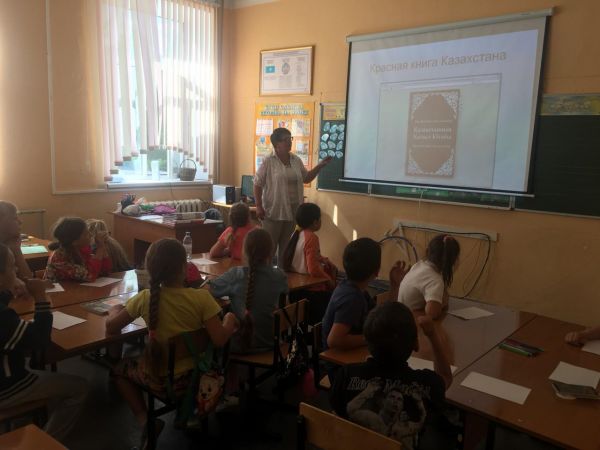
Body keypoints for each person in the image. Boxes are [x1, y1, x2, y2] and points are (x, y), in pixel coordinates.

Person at [106, 238, 238, 446]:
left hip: (161, 382)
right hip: (198, 380)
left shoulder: (145, 298)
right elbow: (220, 340)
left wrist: (114, 310)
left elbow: (112, 327)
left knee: (118, 369)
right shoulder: (202, 298)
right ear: (185, 268)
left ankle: (145, 420)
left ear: (149, 269)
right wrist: (229, 320)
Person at [330, 302, 453, 450]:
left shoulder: (346, 375)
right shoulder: (427, 384)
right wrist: (432, 334)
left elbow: (337, 416)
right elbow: (445, 376)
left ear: (367, 342)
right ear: (416, 344)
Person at [0, 243, 88, 442]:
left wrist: (9, 291)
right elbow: (40, 340)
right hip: (7, 386)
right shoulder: (3, 317)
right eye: (12, 266)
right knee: (79, 387)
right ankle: (45, 442)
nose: (16, 270)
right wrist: (40, 297)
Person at [253, 127, 332, 265]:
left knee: (287, 249)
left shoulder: (296, 160)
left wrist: (319, 166)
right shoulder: (268, 161)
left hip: (293, 211)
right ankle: (266, 275)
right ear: (277, 144)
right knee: (269, 249)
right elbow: (257, 183)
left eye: (290, 138)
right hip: (273, 211)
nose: (289, 142)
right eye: (286, 139)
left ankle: (283, 276)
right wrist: (258, 206)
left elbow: (306, 178)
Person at [209, 228, 288, 353]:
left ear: (244, 251)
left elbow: (209, 290)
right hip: (272, 346)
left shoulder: (235, 275)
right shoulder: (280, 276)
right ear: (270, 252)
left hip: (240, 347)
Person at [322, 237, 406, 353]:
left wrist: (395, 286)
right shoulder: (351, 298)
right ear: (376, 271)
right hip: (338, 361)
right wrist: (372, 338)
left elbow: (382, 318)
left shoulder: (356, 289)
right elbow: (334, 340)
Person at [283, 202, 337, 324]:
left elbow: (302, 254)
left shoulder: (296, 234)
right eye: (320, 219)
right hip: (311, 293)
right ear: (315, 222)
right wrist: (328, 279)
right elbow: (313, 269)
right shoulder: (312, 237)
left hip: (295, 290)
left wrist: (322, 258)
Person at [398, 234, 460, 319]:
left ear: (427, 251)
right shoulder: (435, 280)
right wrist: (443, 303)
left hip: (400, 316)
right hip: (409, 321)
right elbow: (432, 313)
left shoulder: (418, 265)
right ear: (452, 261)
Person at [45, 217, 112, 282]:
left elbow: (105, 271)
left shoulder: (80, 250)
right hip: (58, 290)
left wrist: (102, 246)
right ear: (74, 241)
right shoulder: (59, 258)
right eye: (86, 234)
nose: (91, 235)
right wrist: (100, 248)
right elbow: (90, 275)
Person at [0, 201, 32, 295]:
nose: (20, 222)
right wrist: (13, 279)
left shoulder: (11, 243)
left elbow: (29, 283)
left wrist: (16, 249)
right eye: (14, 218)